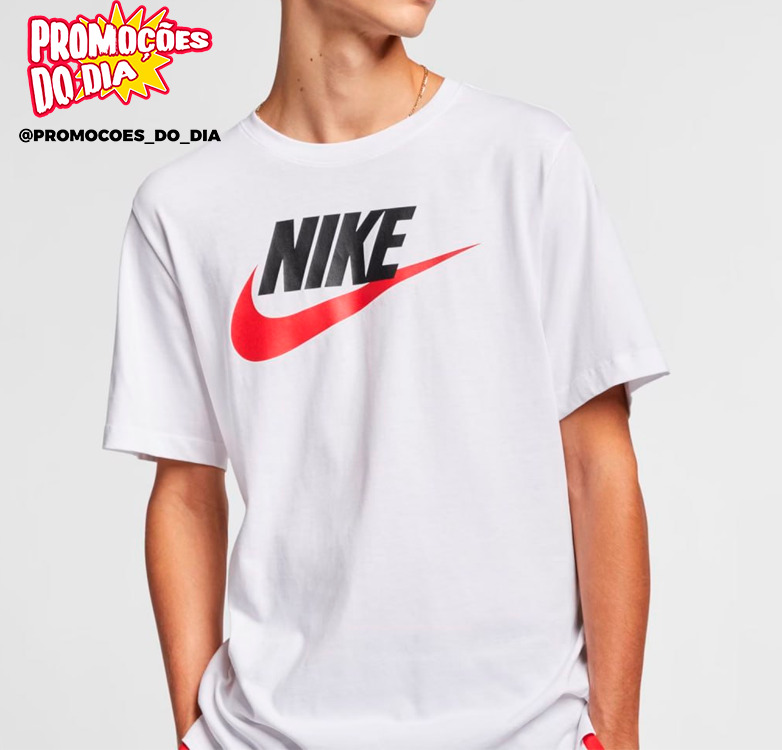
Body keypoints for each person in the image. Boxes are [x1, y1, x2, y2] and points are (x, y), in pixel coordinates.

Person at [102, 0, 669, 748]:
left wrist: (618, 734)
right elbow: (184, 491)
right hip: (273, 732)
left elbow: (598, 460)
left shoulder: (523, 155)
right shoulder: (183, 208)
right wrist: (195, 731)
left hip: (522, 730)